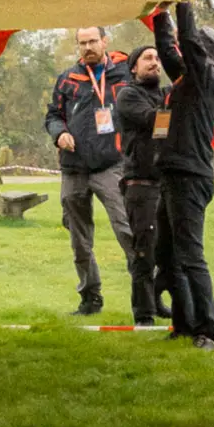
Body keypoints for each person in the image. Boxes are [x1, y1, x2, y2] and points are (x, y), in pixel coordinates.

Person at [150, 1, 214, 350]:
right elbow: (169, 49)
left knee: (191, 256)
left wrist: (184, 2)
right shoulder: (186, 80)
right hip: (173, 175)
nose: (182, 54)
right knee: (169, 255)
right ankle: (183, 325)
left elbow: (189, 45)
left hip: (190, 178)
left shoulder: (206, 81)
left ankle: (207, 331)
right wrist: (159, 12)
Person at [43, 25, 137, 315]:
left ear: (105, 41)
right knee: (79, 239)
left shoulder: (125, 74)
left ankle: (147, 295)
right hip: (74, 168)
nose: (88, 47)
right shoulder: (68, 79)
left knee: (127, 230)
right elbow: (53, 115)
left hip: (111, 164)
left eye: (93, 41)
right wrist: (59, 133)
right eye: (82, 43)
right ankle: (90, 297)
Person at [113, 44, 173, 326]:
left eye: (158, 59)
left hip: (166, 183)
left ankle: (158, 300)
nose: (155, 63)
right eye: (148, 58)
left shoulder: (162, 95)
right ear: (134, 66)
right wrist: (178, 107)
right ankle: (143, 314)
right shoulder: (128, 95)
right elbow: (156, 121)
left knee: (168, 250)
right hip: (141, 186)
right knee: (144, 251)